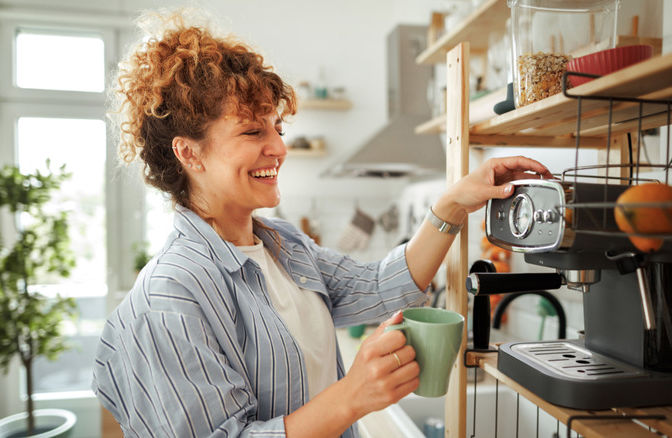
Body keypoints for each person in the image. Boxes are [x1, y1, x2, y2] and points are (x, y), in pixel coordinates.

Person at [91, 9, 553, 438]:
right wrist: (351, 397)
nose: (278, 147)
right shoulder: (172, 295)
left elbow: (380, 285)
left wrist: (453, 204)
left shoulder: (283, 245)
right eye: (253, 131)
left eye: (277, 128)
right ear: (188, 153)